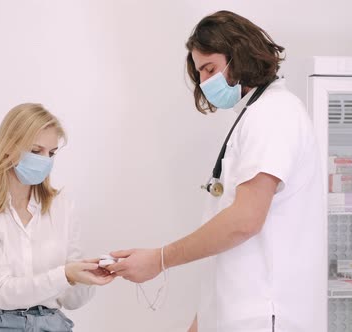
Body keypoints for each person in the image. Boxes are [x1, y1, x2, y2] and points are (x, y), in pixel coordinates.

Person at [107, 11, 326, 332]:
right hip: (241, 314)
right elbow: (233, 246)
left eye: (210, 68)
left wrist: (159, 260)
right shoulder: (254, 115)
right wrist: (203, 321)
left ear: (240, 54)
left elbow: (244, 221)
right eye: (200, 74)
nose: (206, 82)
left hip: (265, 316)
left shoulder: (274, 115)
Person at [0, 103, 114, 332]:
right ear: (8, 148)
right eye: (35, 151)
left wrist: (89, 276)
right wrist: (65, 274)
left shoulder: (63, 207)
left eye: (51, 153)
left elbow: (71, 300)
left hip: (50, 324)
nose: (45, 160)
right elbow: (1, 292)